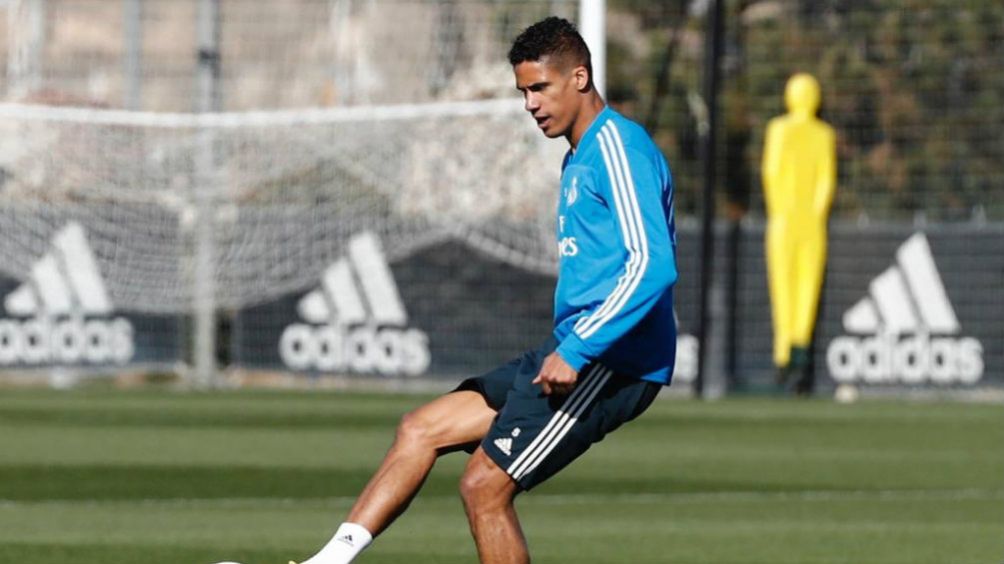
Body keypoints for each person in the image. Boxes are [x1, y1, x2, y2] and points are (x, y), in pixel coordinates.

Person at [291, 16, 678, 564]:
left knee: (484, 488)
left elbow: (650, 266)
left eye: (540, 87)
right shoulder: (577, 158)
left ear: (580, 78)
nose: (530, 104)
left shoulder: (618, 147)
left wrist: (578, 349)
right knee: (420, 428)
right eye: (523, 91)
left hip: (613, 361)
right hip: (573, 350)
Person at [761, 73, 836, 394]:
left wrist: (781, 210)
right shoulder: (822, 133)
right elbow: (826, 180)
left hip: (785, 221)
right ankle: (797, 351)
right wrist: (814, 212)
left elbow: (771, 171)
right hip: (807, 223)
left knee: (786, 288)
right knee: (804, 288)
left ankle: (786, 356)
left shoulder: (780, 129)